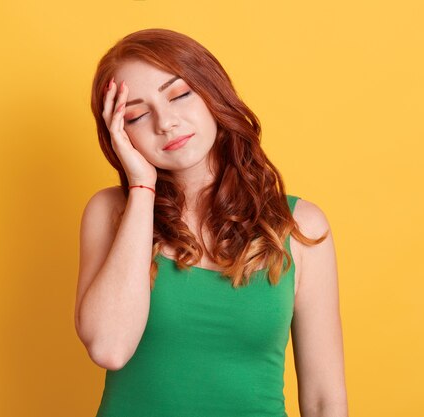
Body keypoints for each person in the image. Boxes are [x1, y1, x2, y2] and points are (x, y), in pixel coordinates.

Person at [75, 28, 348, 417]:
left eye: (179, 95)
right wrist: (141, 187)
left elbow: (325, 400)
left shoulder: (299, 225)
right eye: (136, 115)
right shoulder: (112, 212)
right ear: (119, 134)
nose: (165, 122)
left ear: (212, 94)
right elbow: (109, 347)